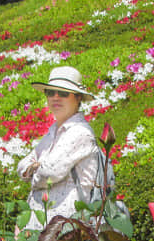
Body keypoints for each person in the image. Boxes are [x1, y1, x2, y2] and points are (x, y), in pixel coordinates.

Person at [17, 66, 100, 231]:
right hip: (40, 222)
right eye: (50, 92)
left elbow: (50, 172)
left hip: (66, 227)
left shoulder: (80, 133)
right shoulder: (52, 132)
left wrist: (36, 169)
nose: (55, 97)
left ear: (78, 98)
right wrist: (35, 168)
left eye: (63, 93)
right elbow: (21, 167)